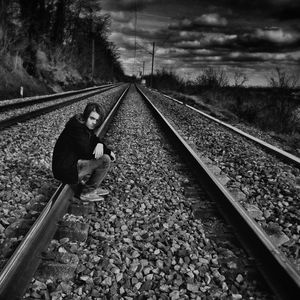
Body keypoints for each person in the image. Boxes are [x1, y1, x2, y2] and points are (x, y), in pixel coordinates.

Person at [52, 102, 116, 202]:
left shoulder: (82, 125)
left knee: (103, 155)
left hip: (68, 165)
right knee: (105, 160)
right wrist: (105, 151)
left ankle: (91, 188)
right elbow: (86, 152)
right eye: (92, 118)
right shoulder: (77, 129)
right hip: (65, 170)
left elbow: (94, 140)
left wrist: (104, 147)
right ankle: (87, 192)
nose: (94, 122)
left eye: (97, 120)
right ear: (86, 116)